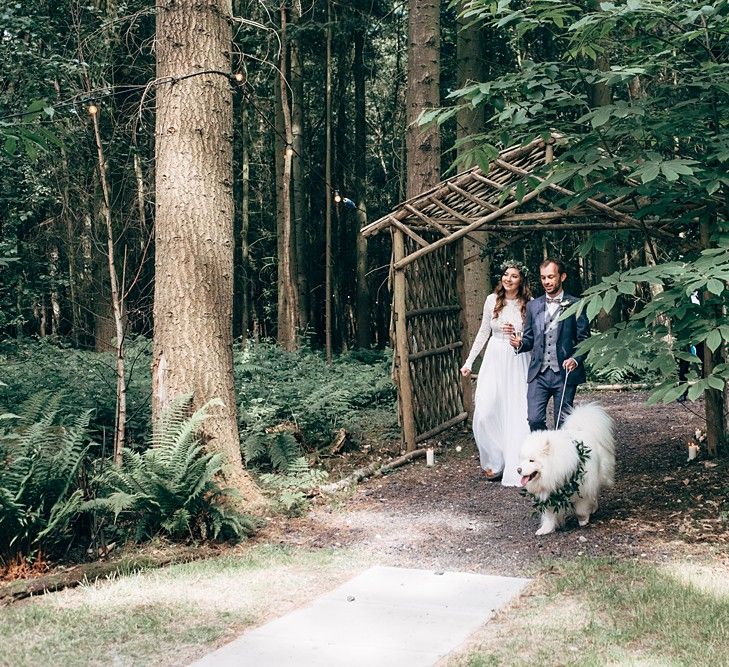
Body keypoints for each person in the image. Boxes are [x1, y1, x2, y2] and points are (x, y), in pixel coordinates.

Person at [460, 260, 532, 485]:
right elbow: (483, 331)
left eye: (514, 276)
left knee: (516, 410)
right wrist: (469, 362)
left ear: (521, 281)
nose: (508, 279)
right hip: (494, 356)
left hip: (517, 357)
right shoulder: (492, 300)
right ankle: (494, 459)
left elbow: (532, 334)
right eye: (506, 275)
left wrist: (519, 334)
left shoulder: (528, 303)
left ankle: (517, 464)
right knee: (486, 408)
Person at [510, 258, 590, 431]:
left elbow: (585, 339)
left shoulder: (576, 304)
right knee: (534, 419)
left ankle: (561, 456)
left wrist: (575, 360)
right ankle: (544, 454)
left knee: (562, 423)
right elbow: (530, 339)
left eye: (551, 277)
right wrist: (519, 343)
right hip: (539, 374)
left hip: (564, 373)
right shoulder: (533, 306)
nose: (546, 281)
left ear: (562, 277)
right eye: (543, 277)